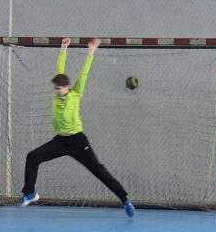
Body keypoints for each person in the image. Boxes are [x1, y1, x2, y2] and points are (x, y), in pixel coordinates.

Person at [19, 37, 135, 216]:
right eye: (55, 88)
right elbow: (59, 69)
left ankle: (125, 199)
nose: (57, 91)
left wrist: (91, 52)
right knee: (33, 157)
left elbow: (84, 74)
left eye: (60, 88)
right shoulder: (56, 96)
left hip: (78, 141)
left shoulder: (75, 94)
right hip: (60, 141)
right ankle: (30, 193)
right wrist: (63, 48)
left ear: (67, 87)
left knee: (98, 170)